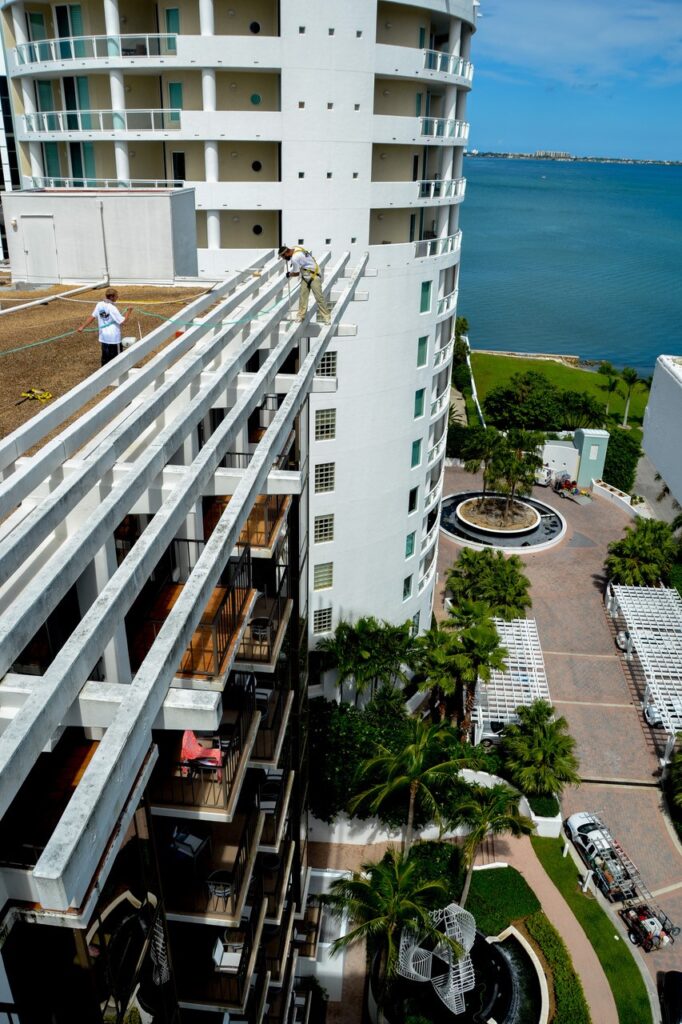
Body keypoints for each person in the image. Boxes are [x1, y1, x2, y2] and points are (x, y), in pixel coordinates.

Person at [78, 287, 132, 365]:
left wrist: (82, 327)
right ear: (112, 297)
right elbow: (122, 322)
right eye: (116, 296)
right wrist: (129, 311)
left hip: (104, 337)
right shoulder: (112, 308)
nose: (117, 298)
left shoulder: (99, 304)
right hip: (114, 338)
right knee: (117, 361)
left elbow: (92, 316)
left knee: (105, 360)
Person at [278, 245, 331, 325]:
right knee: (303, 296)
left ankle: (327, 318)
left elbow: (296, 273)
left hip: (314, 276)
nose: (284, 259)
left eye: (284, 256)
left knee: (319, 298)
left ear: (287, 252)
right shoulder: (297, 248)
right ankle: (300, 316)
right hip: (306, 275)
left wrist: (289, 274)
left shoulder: (294, 258)